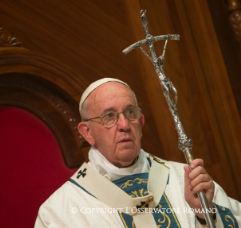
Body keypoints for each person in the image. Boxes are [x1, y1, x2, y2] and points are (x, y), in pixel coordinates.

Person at [35, 78, 241, 227]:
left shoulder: (186, 179)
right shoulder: (60, 211)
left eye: (130, 112)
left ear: (140, 123)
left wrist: (206, 215)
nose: (124, 124)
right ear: (87, 133)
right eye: (109, 116)